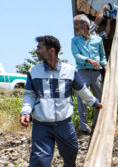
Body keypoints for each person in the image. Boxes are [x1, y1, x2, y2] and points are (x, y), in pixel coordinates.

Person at [20, 35, 102, 166]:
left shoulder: (70, 71)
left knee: (71, 153)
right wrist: (25, 112)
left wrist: (94, 102)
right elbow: (29, 94)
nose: (36, 51)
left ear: (51, 51)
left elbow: (81, 90)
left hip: (64, 124)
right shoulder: (33, 72)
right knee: (40, 159)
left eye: (39, 48)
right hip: (41, 124)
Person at [72, 14, 108, 134]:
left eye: (76, 24)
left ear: (83, 25)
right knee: (82, 98)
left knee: (99, 99)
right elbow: (77, 56)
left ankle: (96, 125)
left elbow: (102, 56)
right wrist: (88, 60)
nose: (75, 27)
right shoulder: (75, 41)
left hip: (96, 74)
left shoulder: (98, 40)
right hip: (82, 72)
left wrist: (106, 65)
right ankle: (84, 127)